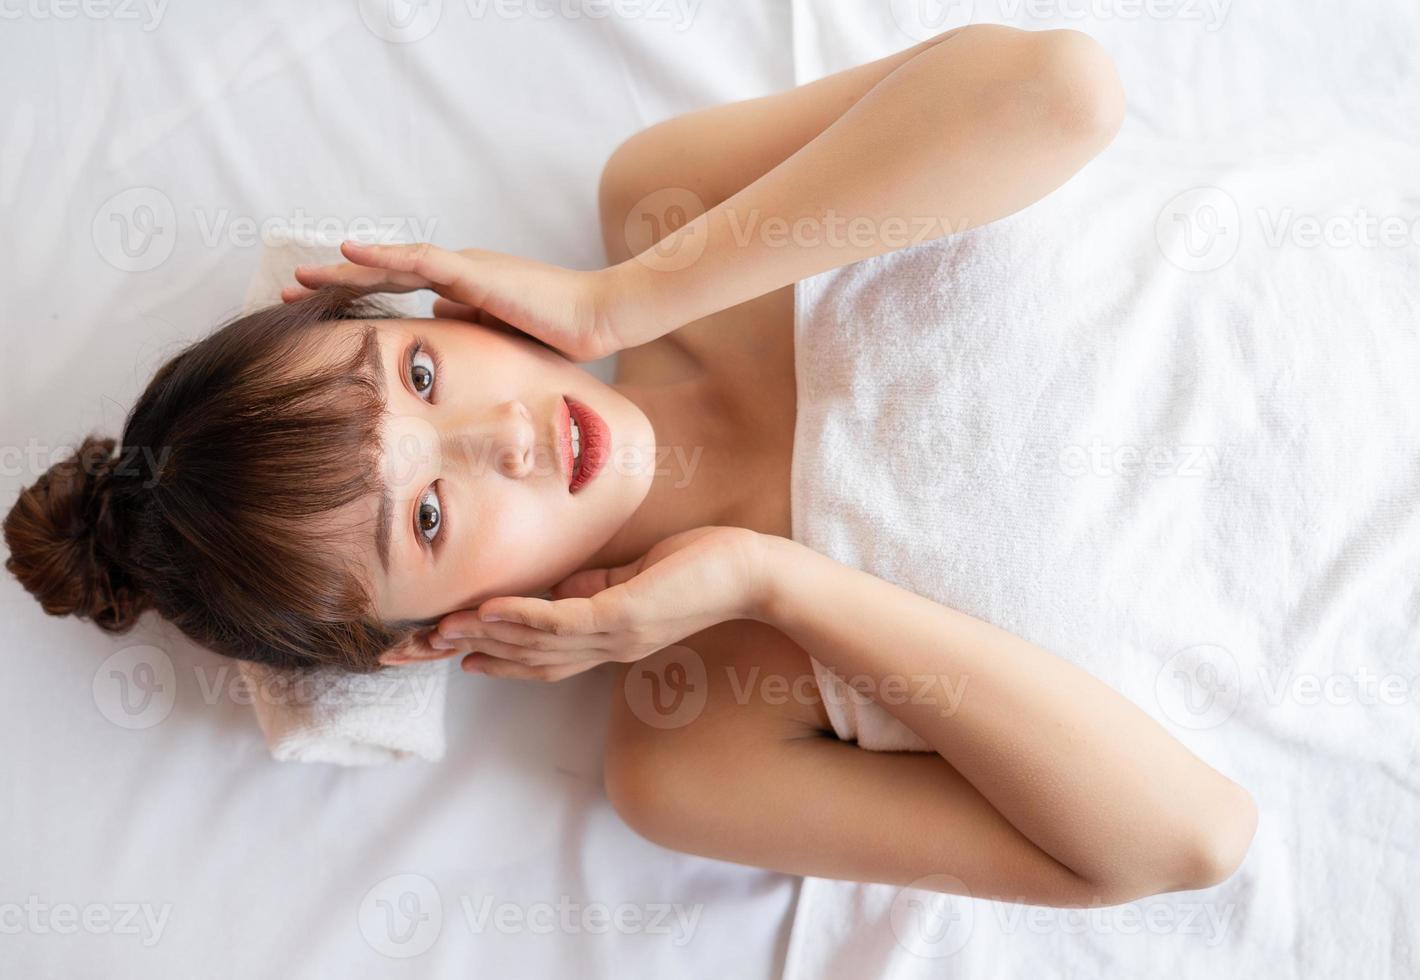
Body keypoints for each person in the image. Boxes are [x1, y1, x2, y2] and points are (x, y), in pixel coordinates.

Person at [3, 24, 1255, 907]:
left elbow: (1061, 88)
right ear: (423, 638)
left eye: (421, 377)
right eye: (429, 516)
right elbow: (1184, 839)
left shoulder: (670, 207)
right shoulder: (690, 753)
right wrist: (772, 583)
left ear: (420, 305)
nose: (507, 437)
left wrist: (626, 298)